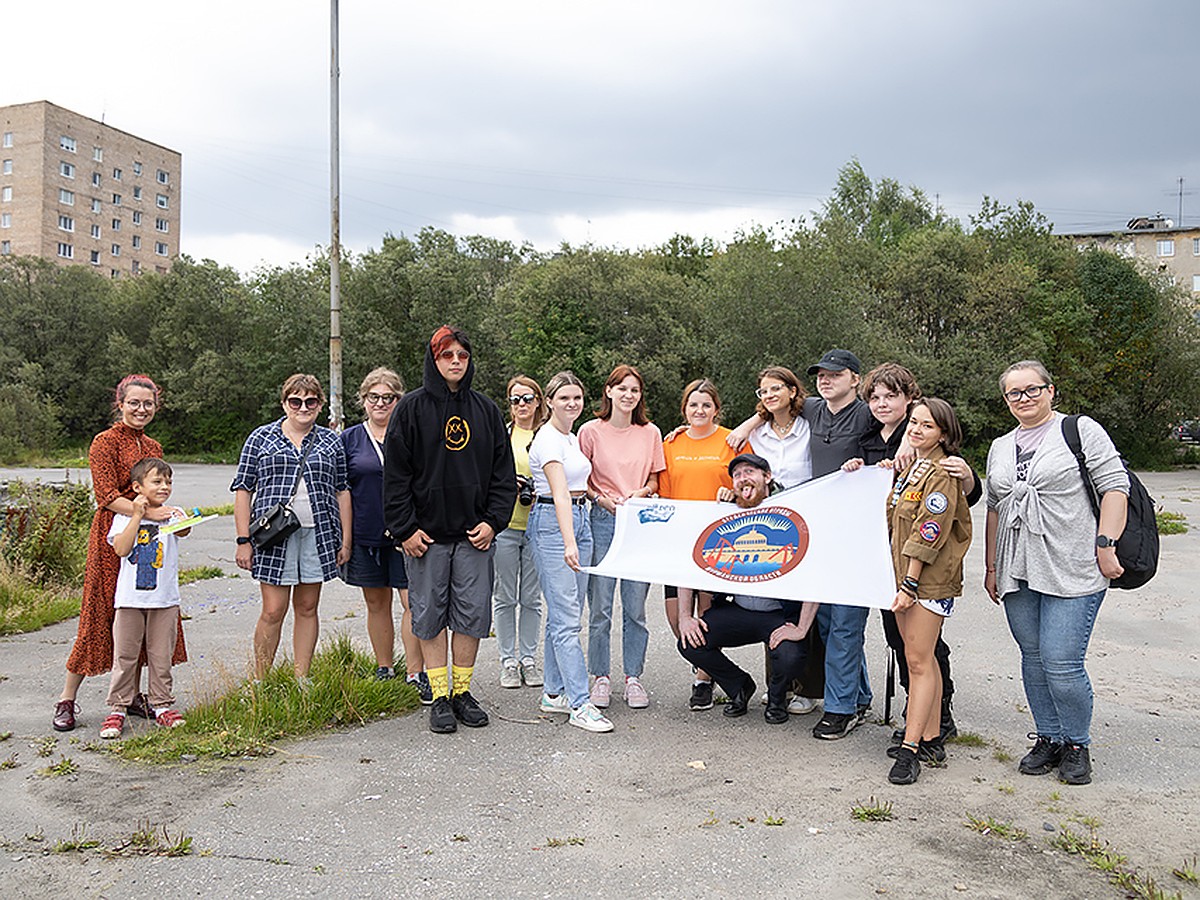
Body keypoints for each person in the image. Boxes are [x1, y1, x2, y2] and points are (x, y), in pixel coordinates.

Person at [985, 360, 1129, 786]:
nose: (1024, 399)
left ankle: (1077, 744)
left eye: (1033, 390)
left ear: (1051, 391)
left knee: (1062, 662)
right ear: (1007, 400)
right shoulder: (1000, 446)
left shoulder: (1080, 431)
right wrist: (992, 565)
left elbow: (1114, 487)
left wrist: (1106, 545)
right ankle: (1048, 736)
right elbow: (995, 506)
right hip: (1017, 567)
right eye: (1015, 393)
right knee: (1033, 658)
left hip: (1073, 564)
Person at [382, 326, 516, 734]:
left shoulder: (486, 410)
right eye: (447, 356)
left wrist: (493, 521)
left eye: (462, 355)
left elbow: (503, 475)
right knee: (428, 615)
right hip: (426, 538)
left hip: (474, 537)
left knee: (471, 617)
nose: (455, 362)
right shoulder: (410, 409)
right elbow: (396, 477)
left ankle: (461, 692)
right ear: (433, 360)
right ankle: (438, 695)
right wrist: (405, 529)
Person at [846, 399, 973, 784]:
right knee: (923, 658)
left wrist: (910, 585)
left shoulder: (942, 473)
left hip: (925, 581)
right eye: (914, 423)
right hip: (903, 576)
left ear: (944, 434)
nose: (916, 430)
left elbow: (928, 532)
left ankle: (911, 749)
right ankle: (932, 736)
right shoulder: (910, 469)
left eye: (927, 426)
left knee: (917, 662)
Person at [54, 374, 187, 733]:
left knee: (147, 619)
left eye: (148, 403)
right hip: (112, 537)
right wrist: (147, 513)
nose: (141, 409)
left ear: (155, 406)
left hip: (151, 537)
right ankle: (67, 698)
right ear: (121, 403)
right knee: (99, 617)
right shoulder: (104, 442)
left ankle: (133, 698)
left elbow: (156, 488)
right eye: (134, 403)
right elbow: (106, 495)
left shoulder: (153, 444)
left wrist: (164, 514)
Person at [677, 453, 819, 724]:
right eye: (737, 475)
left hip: (779, 612)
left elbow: (815, 572)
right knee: (690, 640)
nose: (743, 478)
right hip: (739, 610)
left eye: (750, 472)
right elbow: (690, 564)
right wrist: (685, 617)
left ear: (767, 477)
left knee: (791, 654)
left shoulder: (791, 509)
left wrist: (801, 626)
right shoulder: (724, 514)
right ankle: (739, 685)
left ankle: (778, 697)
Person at [232, 374, 352, 680]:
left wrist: (346, 540)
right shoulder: (261, 437)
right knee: (273, 610)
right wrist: (243, 539)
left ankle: (302, 679)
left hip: (319, 533)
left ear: (321, 404)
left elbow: (342, 490)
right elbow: (243, 489)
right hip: (273, 536)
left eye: (310, 401)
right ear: (285, 403)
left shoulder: (330, 441)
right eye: (295, 401)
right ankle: (259, 680)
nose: (303, 407)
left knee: (308, 606)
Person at [527, 372, 613, 733]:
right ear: (549, 402)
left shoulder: (571, 437)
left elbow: (578, 486)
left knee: (568, 612)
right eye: (564, 398)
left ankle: (554, 692)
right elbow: (559, 492)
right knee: (566, 619)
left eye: (577, 398)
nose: (572, 404)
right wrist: (569, 542)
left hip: (580, 516)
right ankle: (580, 703)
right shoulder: (548, 440)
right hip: (553, 522)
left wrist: (599, 499)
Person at [578, 365, 665, 711]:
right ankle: (600, 676)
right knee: (599, 607)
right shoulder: (590, 432)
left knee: (635, 608)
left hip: (638, 522)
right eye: (622, 389)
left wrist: (642, 492)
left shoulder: (651, 433)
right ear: (609, 392)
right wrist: (601, 498)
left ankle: (633, 677)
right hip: (602, 518)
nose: (629, 395)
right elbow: (579, 480)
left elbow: (656, 482)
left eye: (635, 390)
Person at [341, 367, 429, 701]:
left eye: (388, 398)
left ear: (399, 400)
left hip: (407, 533)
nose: (380, 403)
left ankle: (415, 671)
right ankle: (384, 667)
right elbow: (342, 490)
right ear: (363, 400)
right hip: (366, 533)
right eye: (373, 397)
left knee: (413, 602)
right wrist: (344, 538)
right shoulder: (349, 439)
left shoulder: (412, 434)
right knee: (376, 603)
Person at [660, 378, 747, 712]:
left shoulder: (732, 441)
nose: (700, 410)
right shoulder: (672, 443)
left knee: (707, 614)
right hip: (679, 539)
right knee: (676, 616)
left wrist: (735, 493)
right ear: (684, 409)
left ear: (716, 409)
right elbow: (664, 491)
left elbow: (751, 483)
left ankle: (704, 680)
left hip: (718, 540)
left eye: (706, 405)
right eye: (693, 405)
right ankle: (708, 669)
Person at [740, 365, 820, 716]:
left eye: (776, 389)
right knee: (771, 602)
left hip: (805, 522)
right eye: (763, 391)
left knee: (802, 604)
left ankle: (808, 687)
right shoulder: (758, 435)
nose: (770, 395)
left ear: (791, 390)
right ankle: (779, 685)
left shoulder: (809, 425)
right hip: (770, 528)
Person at [99, 458, 190, 738]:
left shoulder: (173, 513)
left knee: (161, 654)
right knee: (125, 655)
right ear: (138, 487)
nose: (164, 487)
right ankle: (117, 708)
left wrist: (179, 516)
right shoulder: (123, 517)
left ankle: (161, 704)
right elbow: (122, 549)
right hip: (129, 600)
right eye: (157, 481)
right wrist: (139, 515)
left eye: (168, 482)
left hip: (164, 600)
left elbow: (185, 530)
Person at [494, 375, 546, 690]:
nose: (522, 405)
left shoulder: (548, 435)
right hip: (505, 524)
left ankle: (528, 658)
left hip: (539, 524)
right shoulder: (501, 435)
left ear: (538, 401)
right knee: (504, 596)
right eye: (515, 399)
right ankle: (507, 661)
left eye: (527, 398)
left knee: (531, 598)